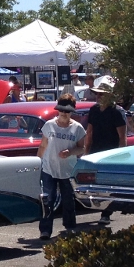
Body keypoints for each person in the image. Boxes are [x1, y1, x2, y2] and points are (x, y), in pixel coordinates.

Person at [37, 94, 87, 239]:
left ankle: (70, 226)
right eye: (61, 111)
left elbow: (81, 149)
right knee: (48, 199)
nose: (64, 114)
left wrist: (70, 152)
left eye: (67, 111)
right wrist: (37, 162)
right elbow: (43, 145)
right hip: (49, 168)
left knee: (68, 200)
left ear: (72, 111)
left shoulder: (77, 129)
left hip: (68, 170)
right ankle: (45, 230)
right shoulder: (49, 125)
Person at [83, 76, 127, 223]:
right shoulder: (93, 110)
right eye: (97, 93)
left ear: (109, 95)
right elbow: (89, 132)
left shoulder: (117, 112)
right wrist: (86, 152)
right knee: (96, 184)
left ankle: (106, 213)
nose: (98, 96)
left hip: (111, 152)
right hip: (96, 151)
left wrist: (121, 156)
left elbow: (122, 137)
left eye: (101, 94)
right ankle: (103, 208)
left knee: (109, 184)